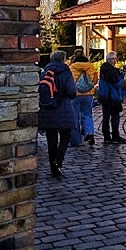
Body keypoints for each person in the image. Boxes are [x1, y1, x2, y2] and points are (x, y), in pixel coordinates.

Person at [38, 50, 77, 178]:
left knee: (51, 140)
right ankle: (58, 161)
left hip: (47, 109)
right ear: (63, 59)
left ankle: (53, 167)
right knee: (66, 135)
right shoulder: (65, 72)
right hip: (63, 108)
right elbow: (71, 92)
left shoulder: (45, 72)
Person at [69, 51, 98, 146]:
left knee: (74, 116)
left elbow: (69, 81)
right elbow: (95, 80)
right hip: (88, 95)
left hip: (75, 95)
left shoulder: (71, 67)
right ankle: (89, 132)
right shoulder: (90, 67)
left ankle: (76, 140)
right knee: (87, 115)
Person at [97, 51, 126, 143]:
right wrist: (122, 76)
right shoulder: (112, 71)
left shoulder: (103, 69)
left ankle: (106, 136)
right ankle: (115, 135)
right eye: (115, 59)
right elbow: (117, 84)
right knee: (115, 116)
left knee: (105, 117)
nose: (116, 60)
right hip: (113, 97)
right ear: (111, 60)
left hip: (104, 96)